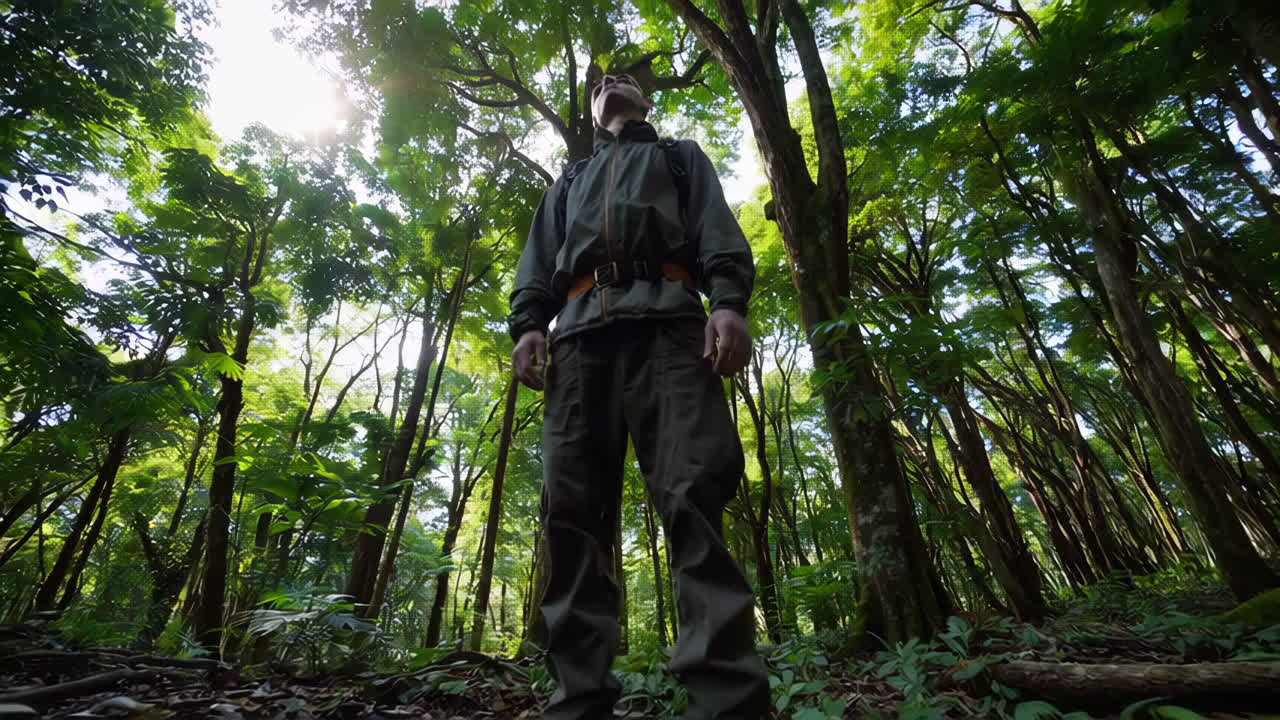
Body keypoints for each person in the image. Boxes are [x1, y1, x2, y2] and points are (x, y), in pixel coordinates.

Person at [508, 73, 769, 720]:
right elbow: (538, 261)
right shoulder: (569, 181)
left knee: (693, 496)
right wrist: (529, 326)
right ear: (592, 113)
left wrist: (728, 303)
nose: (610, 82)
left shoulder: (679, 158)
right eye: (600, 84)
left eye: (623, 79)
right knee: (571, 514)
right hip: (578, 343)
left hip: (672, 332)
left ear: (647, 102)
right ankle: (578, 700)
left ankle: (727, 703)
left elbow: (715, 229)